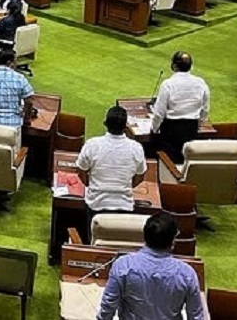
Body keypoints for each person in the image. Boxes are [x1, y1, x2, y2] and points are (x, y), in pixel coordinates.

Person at [96, 213, 205, 320]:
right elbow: (196, 316)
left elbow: (108, 307)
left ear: (145, 236)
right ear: (173, 241)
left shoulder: (123, 266)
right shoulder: (187, 274)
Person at [76, 106, 147, 236]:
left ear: (106, 124)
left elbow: (81, 171)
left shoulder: (92, 145)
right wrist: (124, 187)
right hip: (124, 206)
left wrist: (90, 185)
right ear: (125, 126)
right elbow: (140, 177)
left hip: (96, 206)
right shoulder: (136, 148)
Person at [152, 51, 210, 164]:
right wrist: (199, 126)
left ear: (173, 66)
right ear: (191, 66)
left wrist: (154, 129)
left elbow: (159, 112)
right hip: (191, 128)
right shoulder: (201, 83)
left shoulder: (168, 84)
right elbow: (205, 109)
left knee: (169, 163)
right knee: (187, 161)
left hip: (171, 130)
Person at [0, 50, 34, 127]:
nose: (16, 64)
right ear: (9, 63)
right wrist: (26, 118)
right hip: (13, 125)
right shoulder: (20, 78)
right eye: (15, 61)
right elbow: (29, 101)